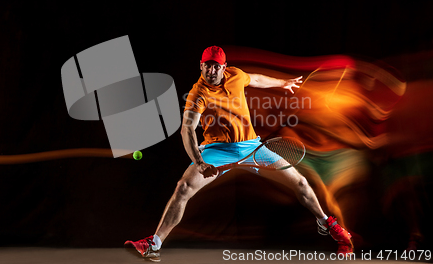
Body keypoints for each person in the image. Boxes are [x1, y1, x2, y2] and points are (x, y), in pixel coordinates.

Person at [125, 46, 353, 261]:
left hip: (250, 148)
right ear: (200, 66)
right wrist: (199, 162)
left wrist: (282, 83)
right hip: (217, 150)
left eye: (216, 66)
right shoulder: (198, 94)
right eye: (207, 65)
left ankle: (327, 223)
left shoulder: (236, 75)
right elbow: (187, 129)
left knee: (301, 183)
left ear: (224, 68)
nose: (211, 71)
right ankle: (153, 245)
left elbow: (256, 79)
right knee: (183, 188)